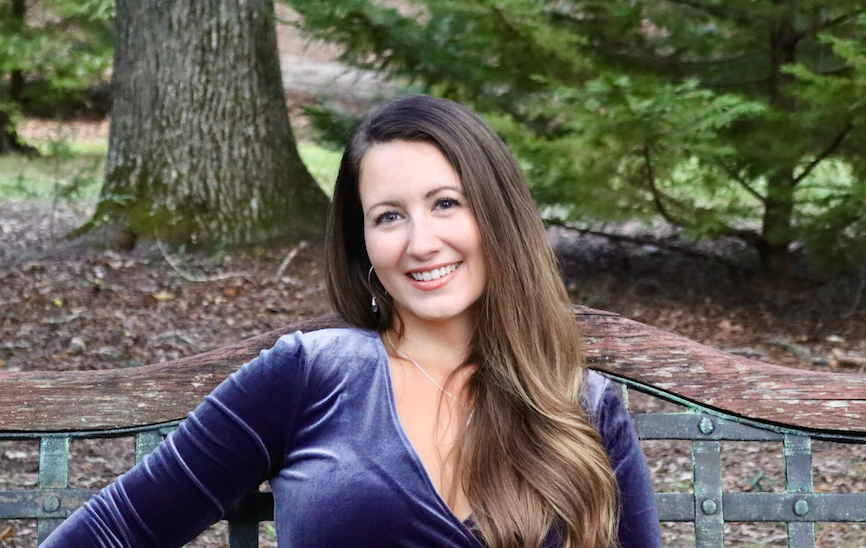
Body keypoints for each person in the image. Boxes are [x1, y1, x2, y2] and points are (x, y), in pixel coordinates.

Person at [43, 95, 661, 548]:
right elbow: (116, 528)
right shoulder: (310, 374)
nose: (421, 242)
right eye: (389, 216)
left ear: (498, 218)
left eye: (446, 204)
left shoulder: (578, 405)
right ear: (362, 243)